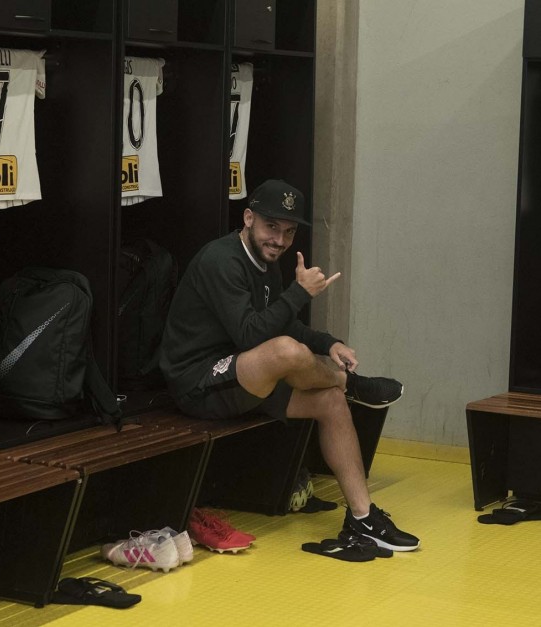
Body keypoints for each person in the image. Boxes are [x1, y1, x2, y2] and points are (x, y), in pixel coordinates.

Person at [160, 179, 419, 552]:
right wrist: (298, 293)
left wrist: (330, 343)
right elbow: (252, 335)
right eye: (271, 227)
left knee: (330, 400)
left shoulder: (267, 263)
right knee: (285, 351)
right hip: (198, 380)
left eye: (288, 232)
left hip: (244, 378)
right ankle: (352, 383)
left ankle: (363, 519)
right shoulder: (221, 259)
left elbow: (280, 323)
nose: (279, 240)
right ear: (248, 218)